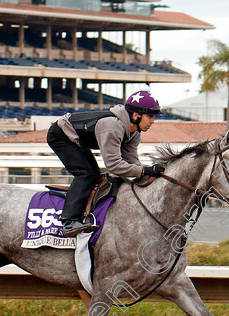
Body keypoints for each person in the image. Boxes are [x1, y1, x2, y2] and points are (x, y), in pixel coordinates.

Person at [47, 90, 165, 237]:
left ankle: (85, 211)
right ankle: (69, 221)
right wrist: (143, 171)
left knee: (96, 175)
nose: (153, 121)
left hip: (78, 139)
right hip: (60, 135)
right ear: (136, 115)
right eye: (150, 116)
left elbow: (131, 161)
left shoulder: (134, 133)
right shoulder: (112, 126)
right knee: (85, 174)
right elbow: (113, 165)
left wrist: (146, 173)